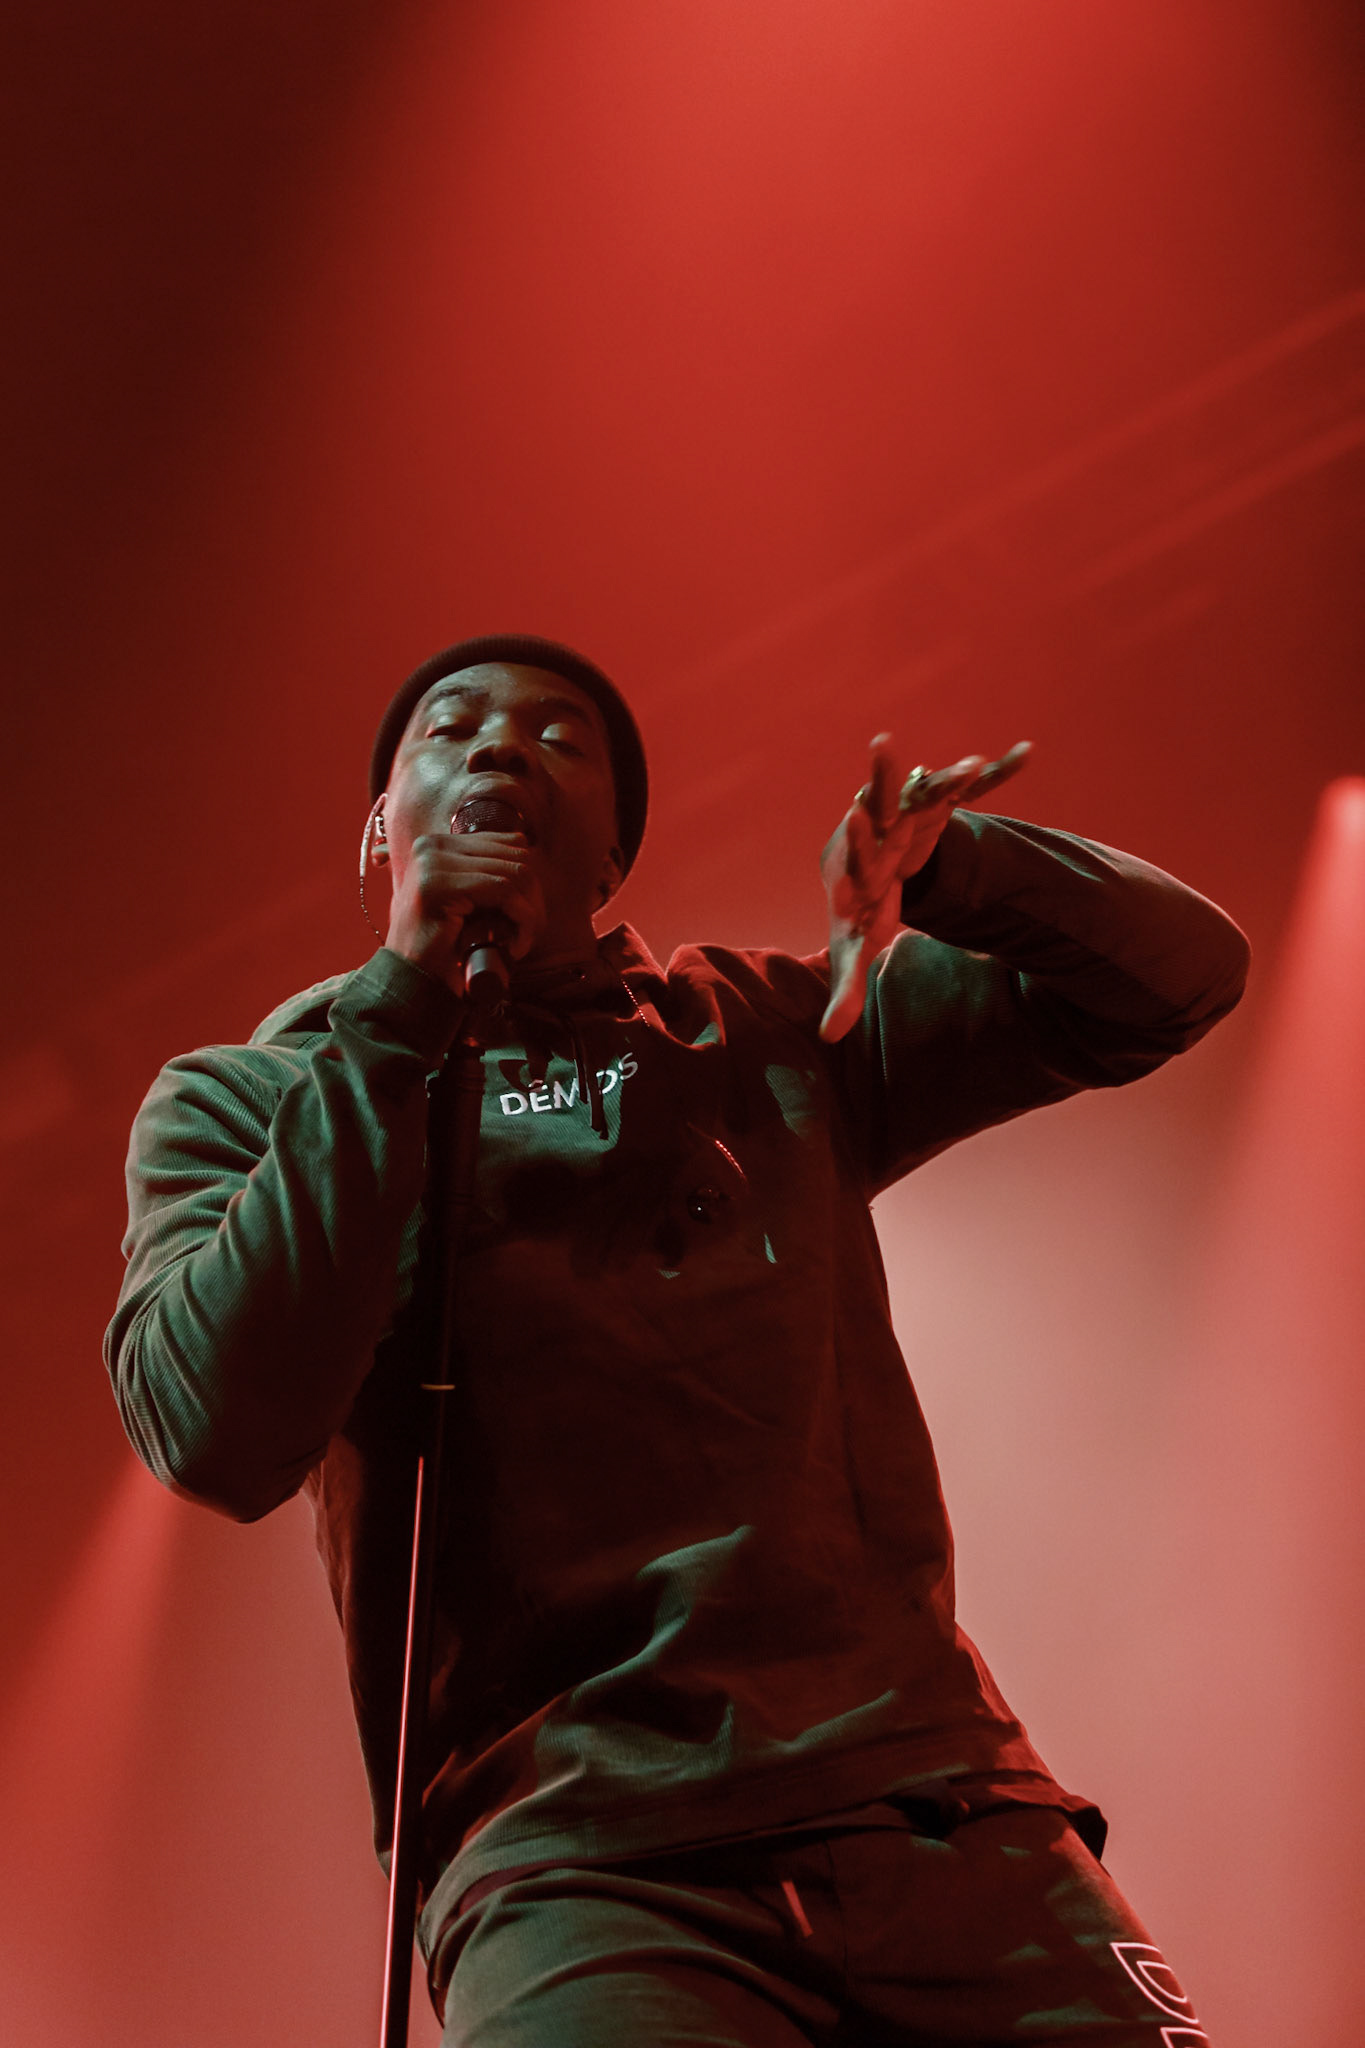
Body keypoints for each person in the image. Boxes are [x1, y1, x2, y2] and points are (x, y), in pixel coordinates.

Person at [107, 632, 1246, 2045]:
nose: (501, 746)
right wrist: (397, 1019)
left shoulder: (769, 1029)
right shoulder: (255, 1097)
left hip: (935, 1807)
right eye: (448, 730)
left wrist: (962, 876)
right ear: (377, 829)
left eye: (559, 737)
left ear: (609, 865)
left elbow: (1179, 976)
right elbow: (214, 1431)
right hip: (575, 1865)